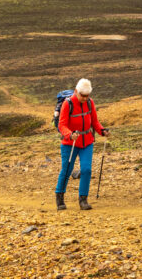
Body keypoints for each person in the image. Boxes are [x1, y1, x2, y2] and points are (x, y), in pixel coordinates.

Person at [56, 78, 110, 210]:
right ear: (76, 91)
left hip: (87, 142)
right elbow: (61, 125)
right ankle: (60, 196)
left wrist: (102, 131)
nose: (85, 98)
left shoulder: (90, 103)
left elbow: (95, 122)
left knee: (86, 170)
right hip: (70, 142)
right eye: (82, 95)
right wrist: (70, 134)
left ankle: (83, 200)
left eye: (87, 96)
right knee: (67, 170)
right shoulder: (67, 104)